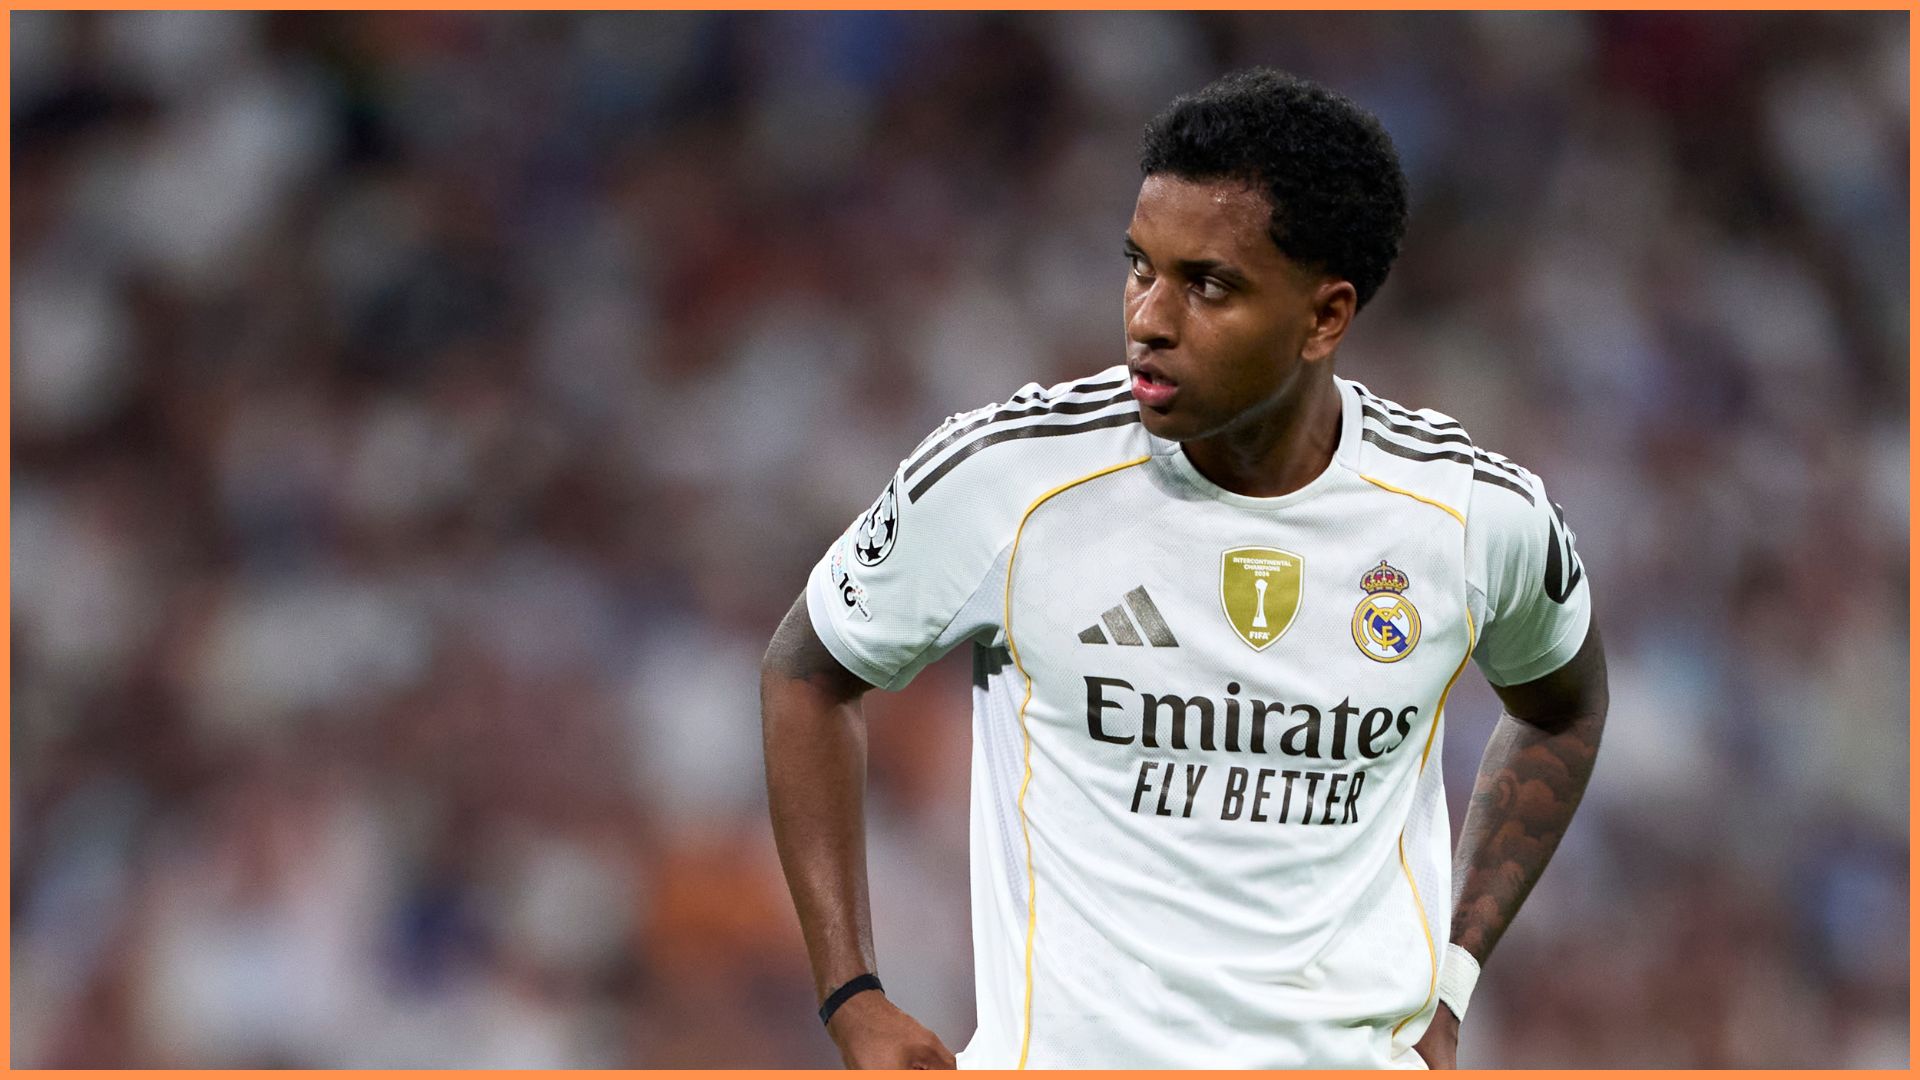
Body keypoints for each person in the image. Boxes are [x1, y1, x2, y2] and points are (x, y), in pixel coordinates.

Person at [761, 67, 1607, 1070]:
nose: (1149, 318)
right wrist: (854, 997)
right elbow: (808, 674)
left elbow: (1562, 705)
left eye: (1208, 284)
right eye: (1138, 266)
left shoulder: (1471, 518)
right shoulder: (1007, 479)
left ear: (1324, 317)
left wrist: (1454, 975)